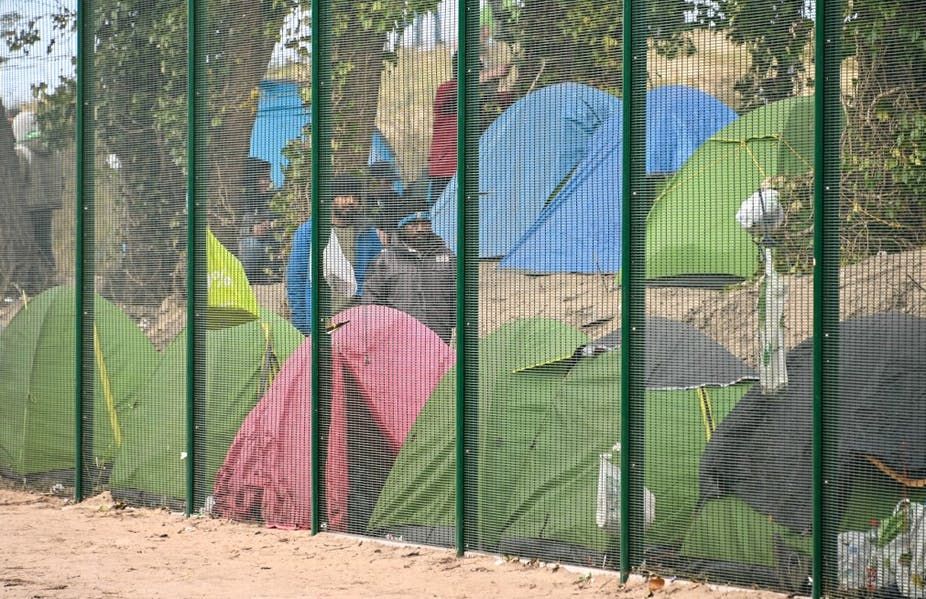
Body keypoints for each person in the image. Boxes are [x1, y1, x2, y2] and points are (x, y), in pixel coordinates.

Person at [285, 176, 383, 335]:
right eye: (344, 196)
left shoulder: (367, 233)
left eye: (355, 197)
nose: (351, 201)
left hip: (358, 319)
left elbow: (379, 275)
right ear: (331, 199)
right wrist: (302, 325)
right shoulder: (309, 232)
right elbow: (296, 278)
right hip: (323, 318)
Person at [426, 51, 512, 202]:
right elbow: (463, 88)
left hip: (475, 168)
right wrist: (494, 73)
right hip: (447, 167)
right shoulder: (447, 89)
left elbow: (508, 100)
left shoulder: (482, 96)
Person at [362, 207, 456, 343]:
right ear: (402, 227)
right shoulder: (385, 260)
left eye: (425, 224)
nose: (420, 229)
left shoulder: (447, 256)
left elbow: (457, 292)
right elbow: (371, 299)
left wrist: (454, 322)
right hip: (399, 339)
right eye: (413, 225)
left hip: (439, 335)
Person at [12, 111, 64, 283]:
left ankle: (29, 283)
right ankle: (50, 277)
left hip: (28, 207)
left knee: (27, 246)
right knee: (44, 244)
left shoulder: (21, 151)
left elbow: (18, 181)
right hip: (47, 205)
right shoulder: (51, 149)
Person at [237, 157, 283, 284]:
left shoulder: (273, 198)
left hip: (268, 246)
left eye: (268, 177)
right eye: (263, 178)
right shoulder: (238, 200)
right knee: (253, 244)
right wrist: (251, 230)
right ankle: (248, 276)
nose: (268, 182)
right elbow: (229, 228)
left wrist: (273, 224)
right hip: (247, 247)